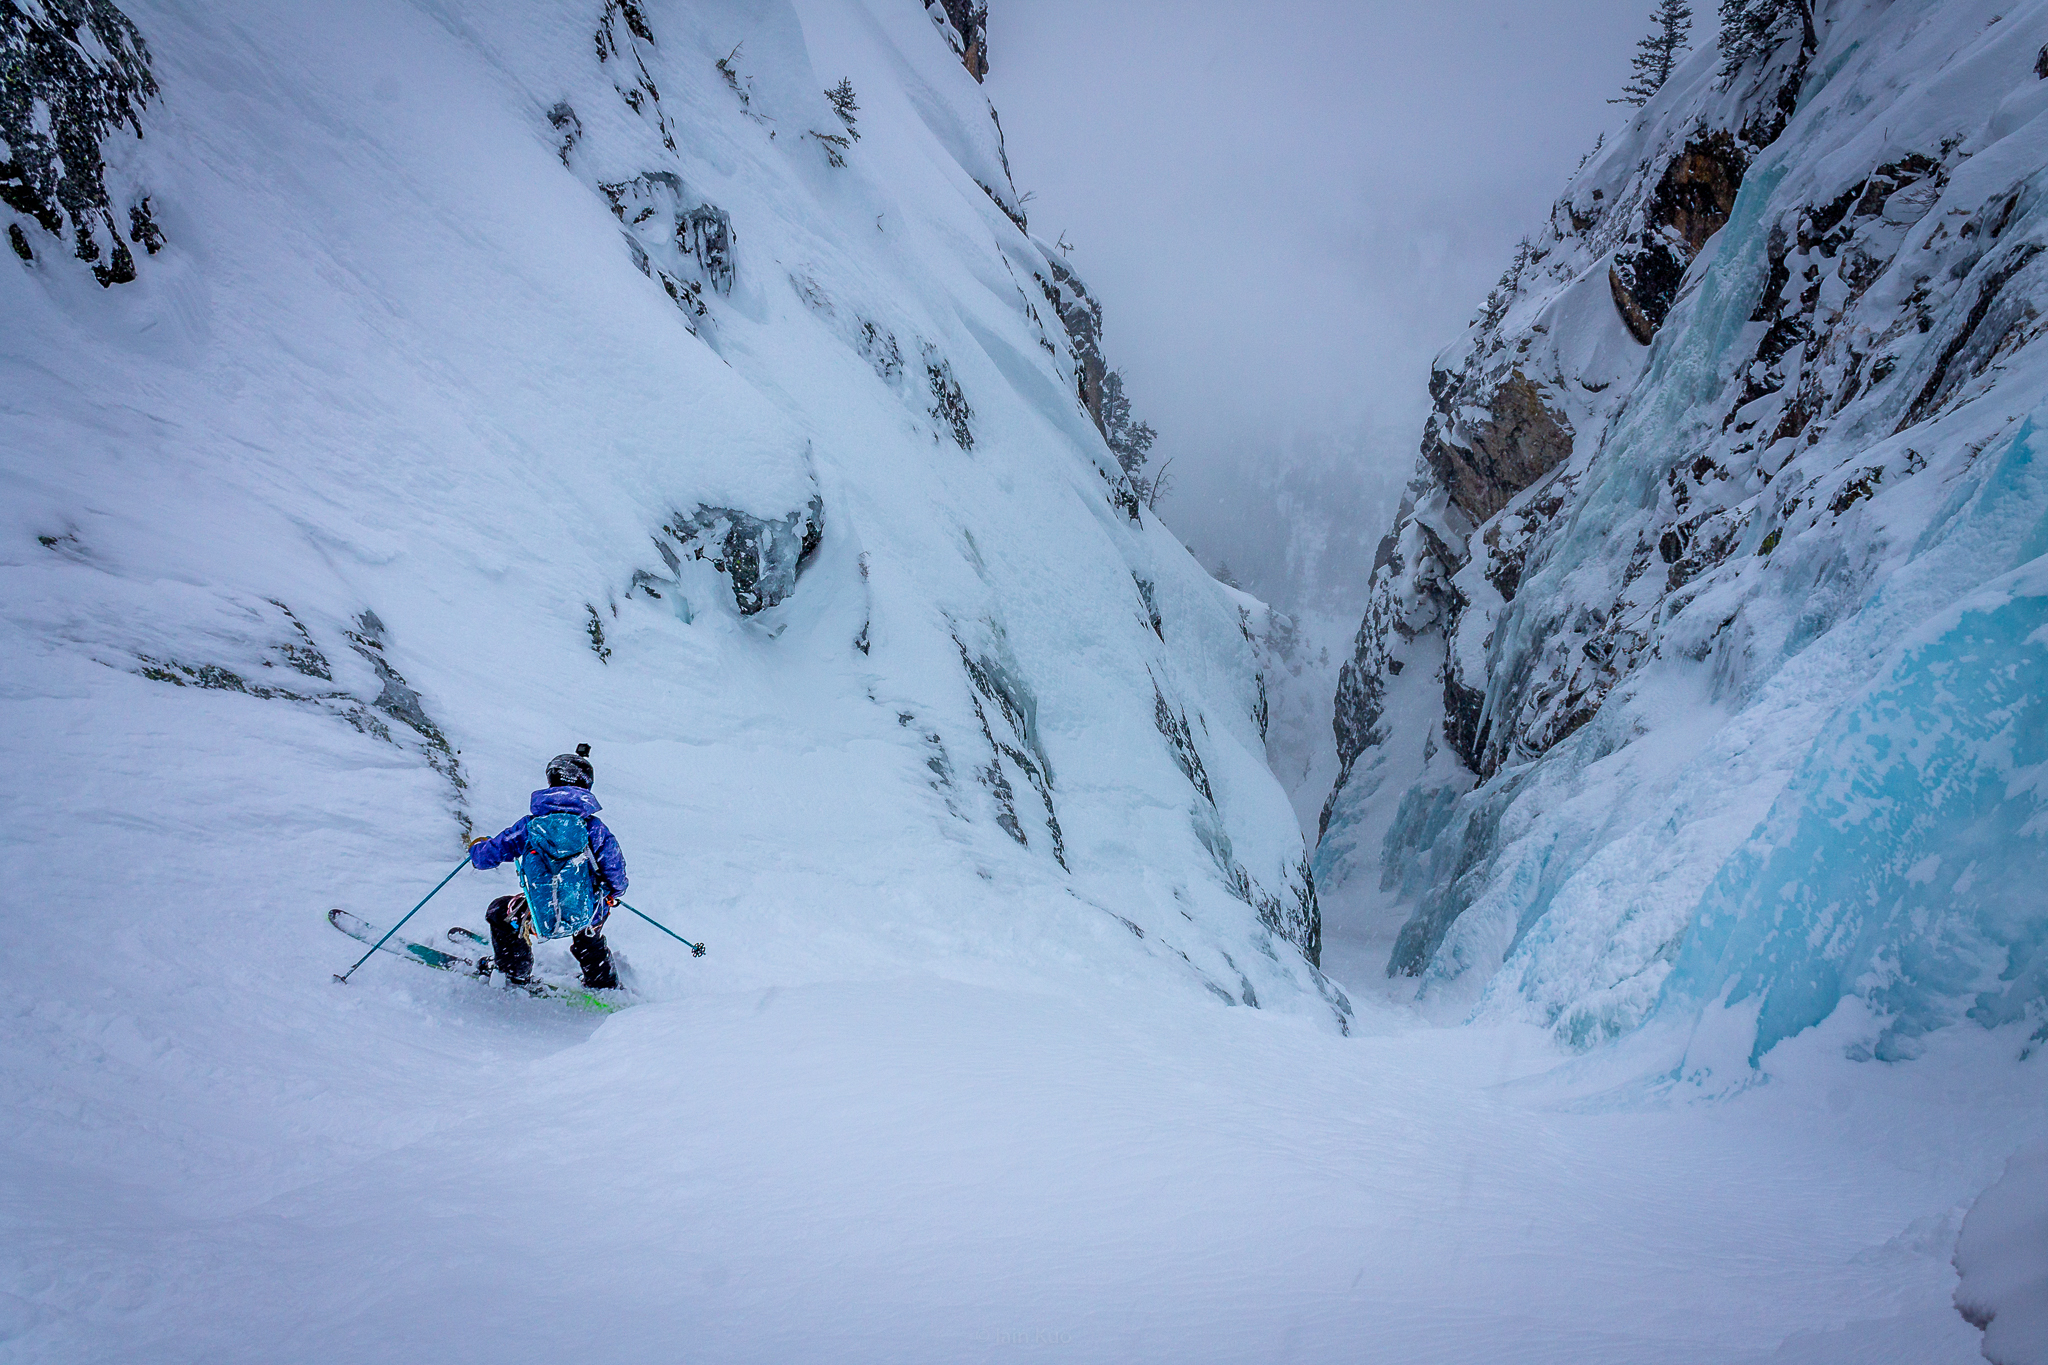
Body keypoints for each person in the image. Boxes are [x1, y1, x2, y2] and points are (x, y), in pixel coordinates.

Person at [466, 744, 626, 990]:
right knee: (589, 933)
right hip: (588, 908)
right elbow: (615, 870)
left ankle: (513, 971)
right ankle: (603, 984)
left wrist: (477, 847)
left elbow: (487, 856)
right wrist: (614, 892)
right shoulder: (594, 828)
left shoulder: (529, 826)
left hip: (541, 909)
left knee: (501, 912)